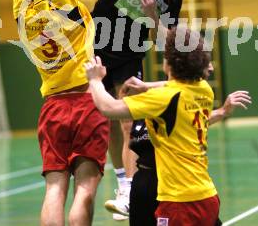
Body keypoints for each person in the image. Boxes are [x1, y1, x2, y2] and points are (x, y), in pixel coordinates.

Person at [0, 0, 109, 226]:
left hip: (53, 107)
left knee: (54, 190)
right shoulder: (67, 5)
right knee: (85, 190)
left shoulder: (23, 13)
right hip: (88, 101)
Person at [80, 0, 187, 219]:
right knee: (108, 120)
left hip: (130, 54)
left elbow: (167, 40)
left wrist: (153, 15)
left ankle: (127, 191)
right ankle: (120, 180)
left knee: (127, 119)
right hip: (98, 46)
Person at [85, 27, 230, 226]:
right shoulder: (204, 90)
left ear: (168, 63)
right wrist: (146, 86)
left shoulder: (161, 99)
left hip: (179, 200)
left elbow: (108, 108)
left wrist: (95, 80)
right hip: (206, 193)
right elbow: (173, 86)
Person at [119, 70, 252, 225]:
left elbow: (198, 120)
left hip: (176, 183)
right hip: (145, 185)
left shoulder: (185, 96)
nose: (210, 69)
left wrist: (222, 112)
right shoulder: (148, 103)